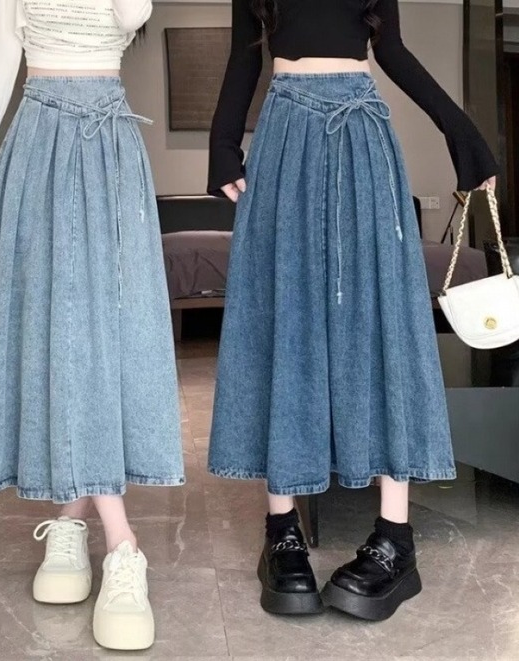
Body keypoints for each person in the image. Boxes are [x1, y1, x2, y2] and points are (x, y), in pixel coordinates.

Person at [207, 0, 497, 621]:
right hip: (283, 130)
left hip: (362, 130)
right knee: (282, 313)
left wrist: (463, 135)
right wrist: (223, 144)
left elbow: (392, 50)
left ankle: (395, 539)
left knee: (384, 318)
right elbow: (243, 55)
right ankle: (281, 530)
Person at [0, 0, 184, 650]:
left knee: (99, 336)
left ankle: (105, 537)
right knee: (56, 333)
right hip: (36, 146)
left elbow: (133, 13)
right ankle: (93, 532)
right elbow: (0, 65)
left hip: (106, 145)